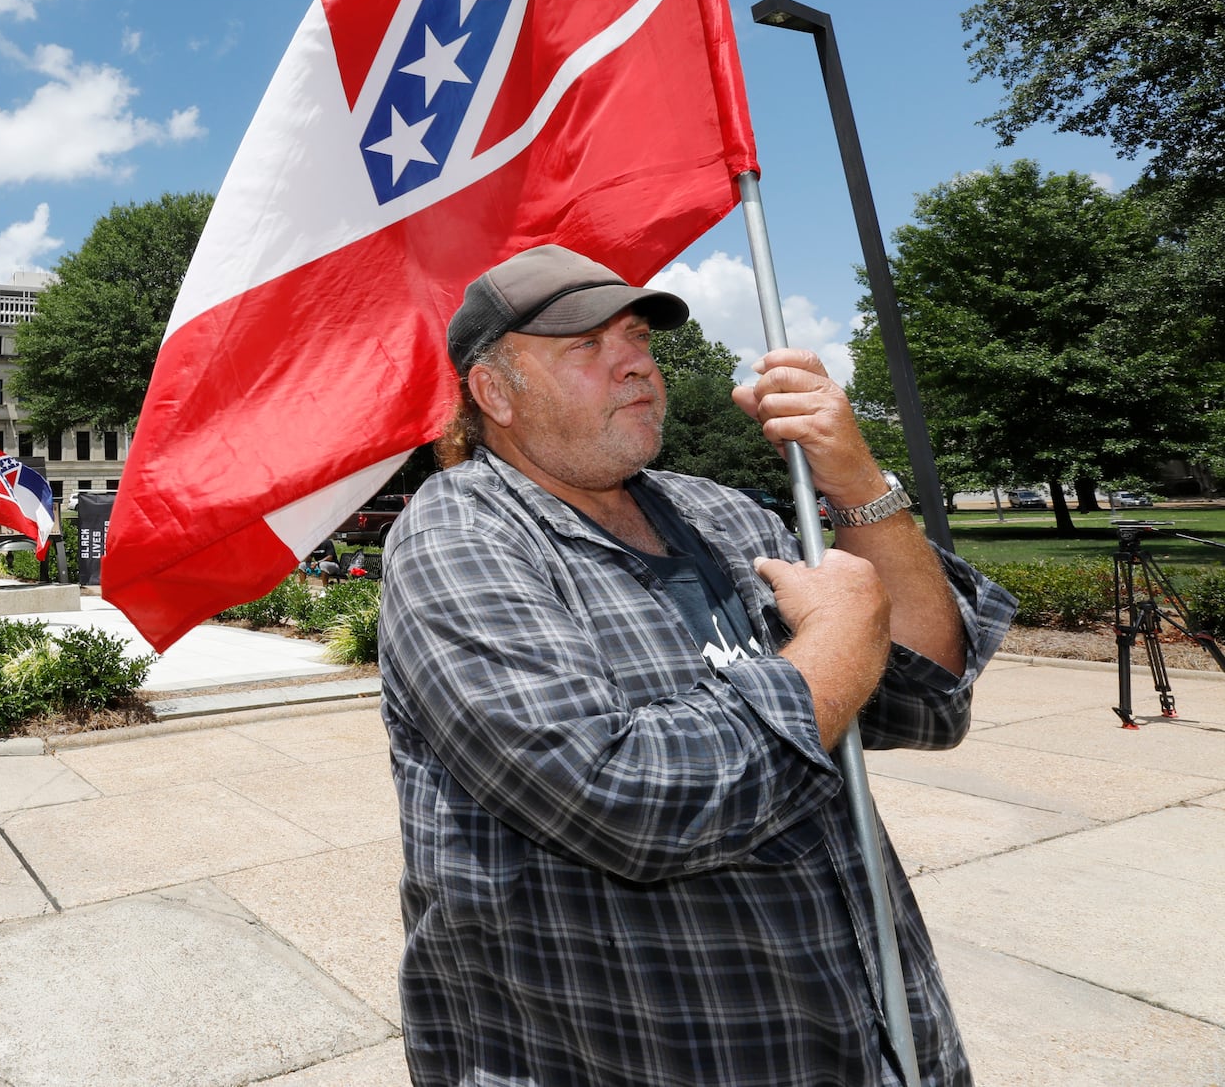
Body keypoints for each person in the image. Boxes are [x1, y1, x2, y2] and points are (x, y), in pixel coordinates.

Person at [379, 245, 1017, 1087]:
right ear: (495, 393)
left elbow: (926, 700)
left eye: (638, 338)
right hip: (631, 1056)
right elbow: (622, 802)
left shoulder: (718, 512)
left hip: (872, 1043)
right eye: (587, 347)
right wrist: (828, 648)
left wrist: (857, 483)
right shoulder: (458, 535)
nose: (637, 364)